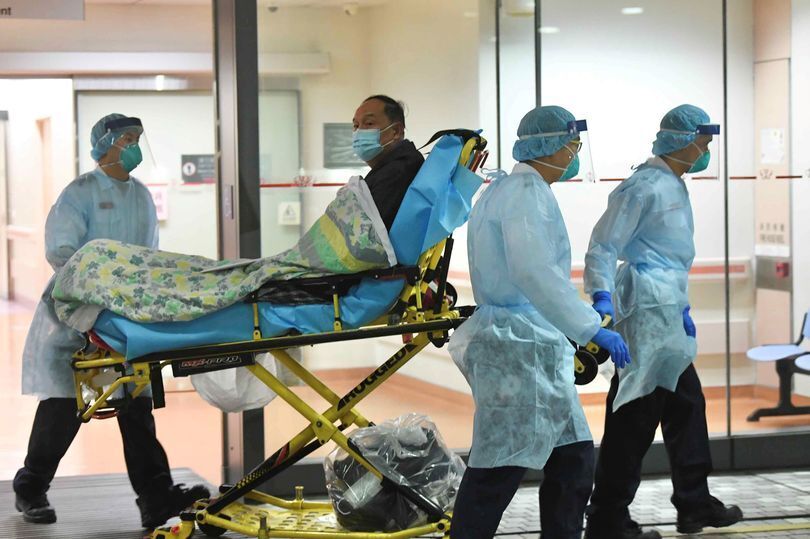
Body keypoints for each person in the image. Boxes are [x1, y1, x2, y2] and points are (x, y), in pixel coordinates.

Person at [14, 113, 209, 529]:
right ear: (105, 144)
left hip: (127, 320)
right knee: (64, 407)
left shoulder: (141, 197)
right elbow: (61, 251)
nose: (135, 146)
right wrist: (96, 296)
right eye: (127, 139)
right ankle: (30, 486)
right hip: (79, 317)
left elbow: (148, 257)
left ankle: (155, 496)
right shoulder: (80, 193)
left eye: (138, 138)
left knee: (136, 406)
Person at [448, 106, 631, 539]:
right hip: (519, 347)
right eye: (572, 146)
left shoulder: (507, 189)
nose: (575, 155)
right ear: (550, 146)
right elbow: (533, 271)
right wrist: (590, 327)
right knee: (498, 469)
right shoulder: (524, 193)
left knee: (574, 459)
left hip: (531, 344)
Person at [583, 105, 742, 539]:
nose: (705, 152)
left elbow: (670, 257)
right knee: (635, 417)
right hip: (646, 314)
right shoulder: (643, 187)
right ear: (682, 140)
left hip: (667, 310)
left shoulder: (673, 183)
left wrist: (681, 306)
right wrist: (600, 297)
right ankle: (607, 517)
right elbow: (603, 246)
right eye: (703, 143)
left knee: (686, 406)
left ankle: (694, 502)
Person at [352, 95, 424, 229]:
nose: (359, 132)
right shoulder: (395, 166)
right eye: (356, 126)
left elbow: (364, 234)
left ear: (396, 131)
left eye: (369, 123)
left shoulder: (397, 173)